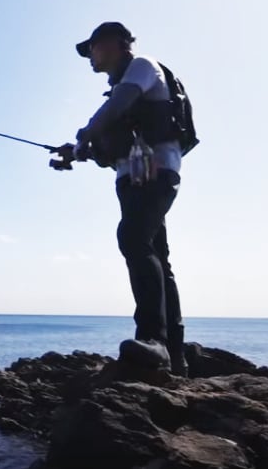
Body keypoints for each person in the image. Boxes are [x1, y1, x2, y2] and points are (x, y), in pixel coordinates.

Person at [67, 21, 187, 376]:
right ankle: (174, 356)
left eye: (93, 47)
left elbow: (116, 110)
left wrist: (84, 136)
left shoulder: (141, 67)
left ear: (116, 43)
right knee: (157, 258)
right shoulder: (126, 83)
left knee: (133, 240)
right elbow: (116, 142)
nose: (90, 55)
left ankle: (154, 341)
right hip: (136, 177)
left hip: (155, 174)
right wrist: (76, 152)